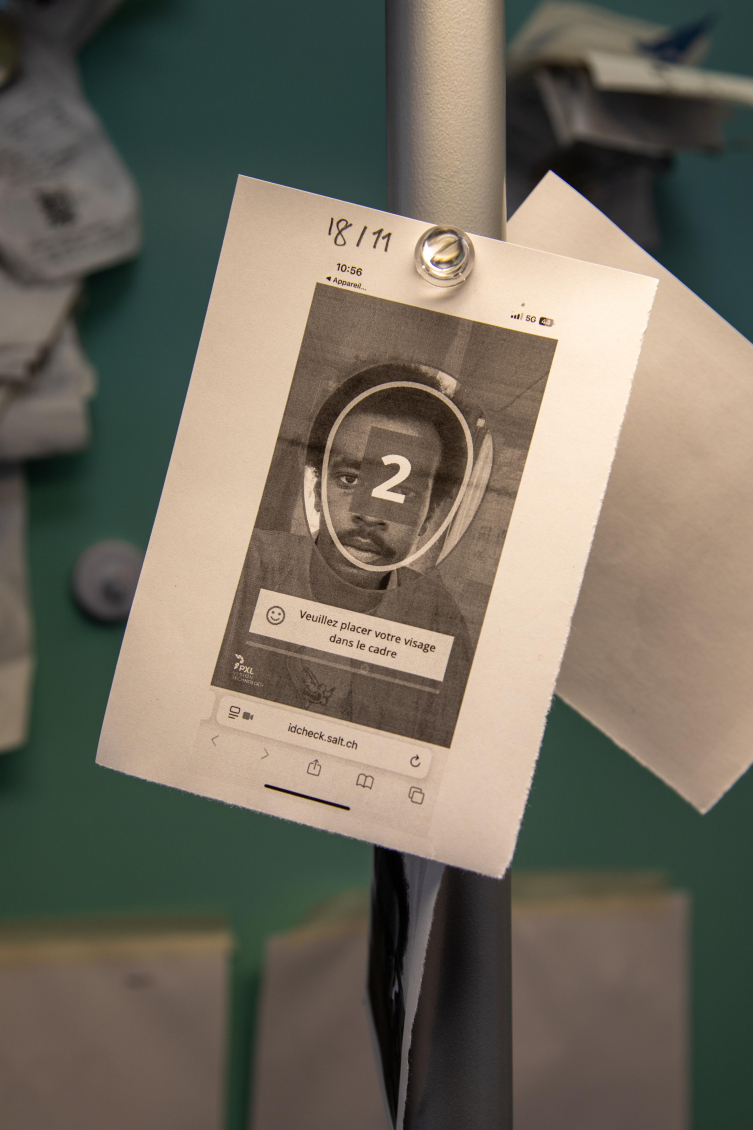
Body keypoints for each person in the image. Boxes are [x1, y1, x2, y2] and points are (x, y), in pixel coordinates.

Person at [214, 363, 475, 747]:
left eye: (402, 492)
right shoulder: (243, 565)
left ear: (429, 516)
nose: (370, 515)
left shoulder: (440, 619)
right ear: (318, 489)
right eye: (349, 479)